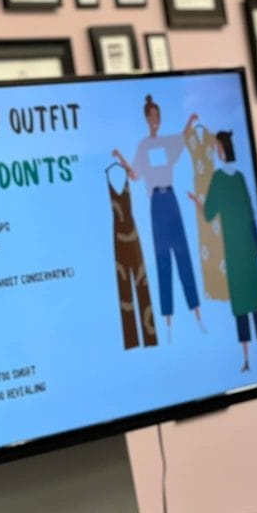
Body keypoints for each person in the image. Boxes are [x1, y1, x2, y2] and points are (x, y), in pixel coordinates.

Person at [112, 94, 205, 342]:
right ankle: (168, 321)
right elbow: (135, 175)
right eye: (151, 116)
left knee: (183, 254)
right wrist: (121, 158)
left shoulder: (167, 142)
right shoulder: (144, 146)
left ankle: (197, 313)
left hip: (171, 199)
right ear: (146, 119)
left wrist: (190, 120)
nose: (155, 120)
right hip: (157, 204)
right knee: (163, 259)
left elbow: (183, 139)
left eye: (157, 116)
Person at [189, 131, 257, 372]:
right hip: (245, 248)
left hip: (236, 249)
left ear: (224, 149)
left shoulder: (220, 179)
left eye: (218, 147)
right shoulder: (239, 178)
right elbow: (250, 213)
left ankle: (253, 358)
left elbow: (209, 213)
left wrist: (197, 202)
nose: (217, 151)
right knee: (253, 302)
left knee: (244, 305)